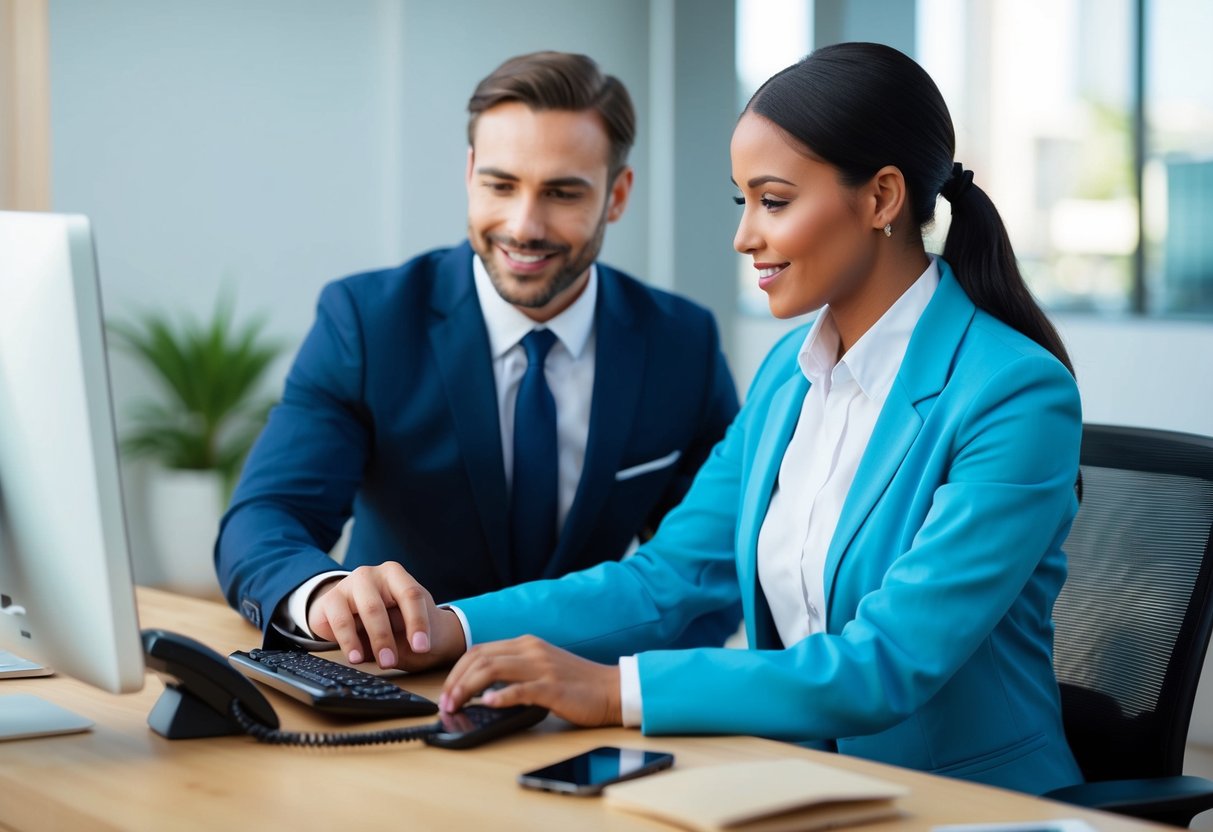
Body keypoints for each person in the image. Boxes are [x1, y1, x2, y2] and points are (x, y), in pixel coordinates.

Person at [307, 42, 1085, 795]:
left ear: (881, 198)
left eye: (773, 202)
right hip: (799, 784)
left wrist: (613, 690)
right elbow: (671, 578)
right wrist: (445, 629)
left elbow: (883, 664)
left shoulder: (1013, 394)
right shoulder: (790, 373)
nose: (744, 236)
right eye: (741, 201)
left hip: (966, 805)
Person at [215, 51, 740, 653]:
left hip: (596, 697)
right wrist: (321, 596)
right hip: (402, 687)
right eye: (500, 184)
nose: (524, 225)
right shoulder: (367, 322)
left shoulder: (682, 344)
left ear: (617, 195)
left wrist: (634, 690)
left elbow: (710, 563)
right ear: (469, 174)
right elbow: (265, 519)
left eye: (563, 193)